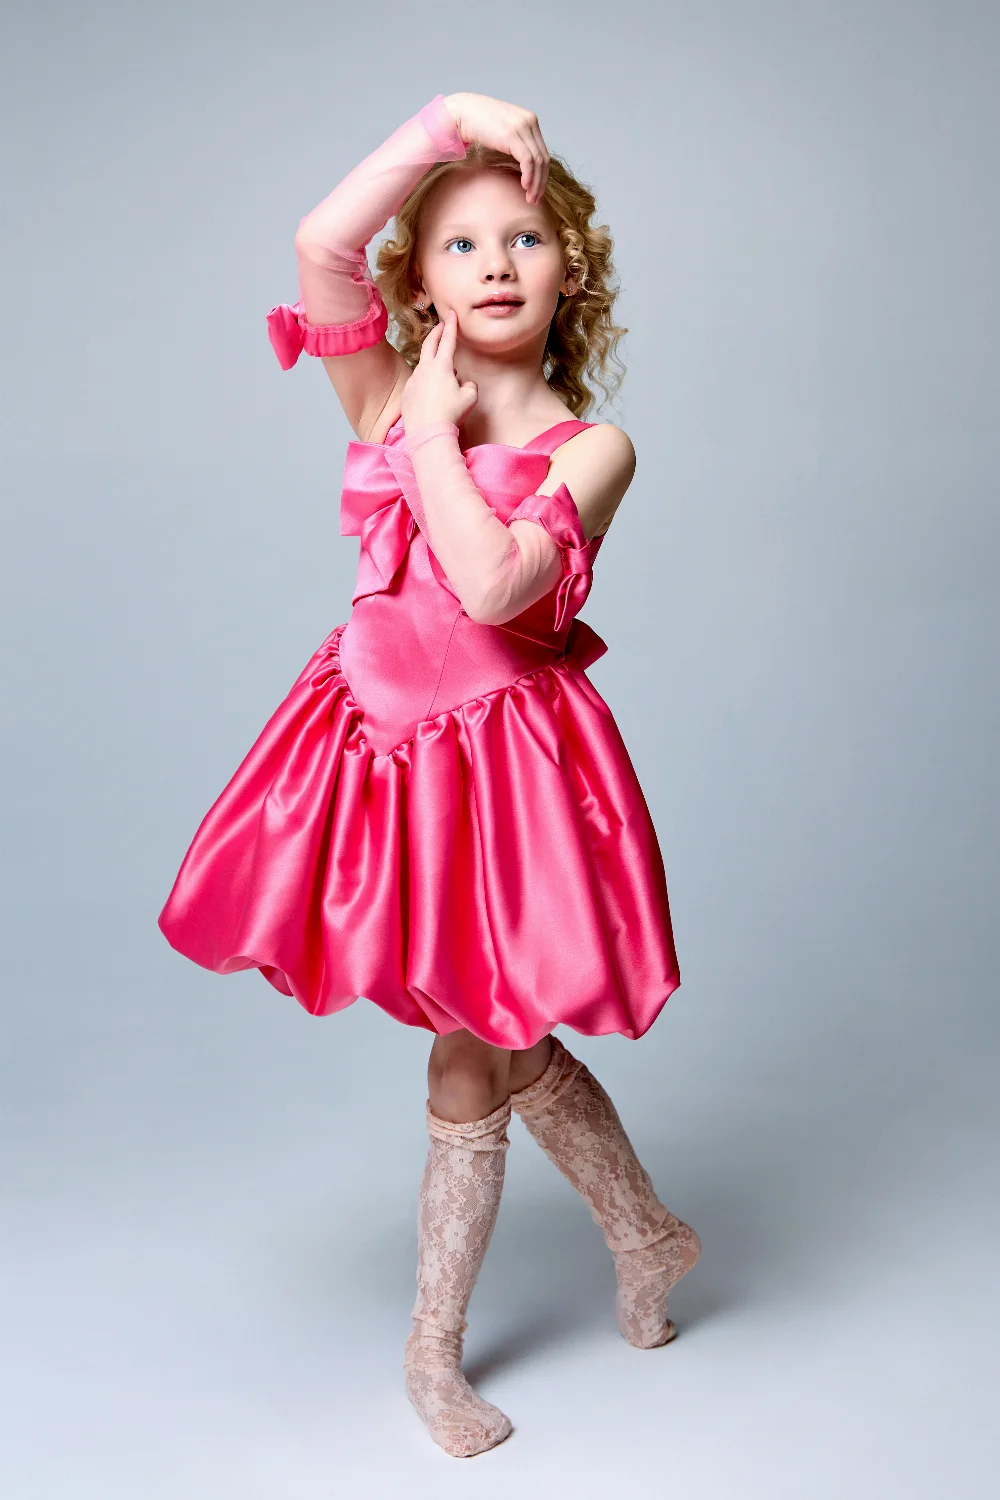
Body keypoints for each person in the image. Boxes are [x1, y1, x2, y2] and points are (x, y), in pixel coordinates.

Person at [159, 91, 699, 1458]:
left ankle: (431, 1354)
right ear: (420, 281)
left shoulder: (591, 449)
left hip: (504, 774)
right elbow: (318, 245)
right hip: (379, 755)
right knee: (498, 1034)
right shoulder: (389, 385)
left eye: (526, 237)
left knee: (469, 1047)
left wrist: (434, 440)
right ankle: (648, 1233)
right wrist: (446, 121)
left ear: (571, 270)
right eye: (461, 244)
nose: (496, 264)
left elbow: (497, 581)